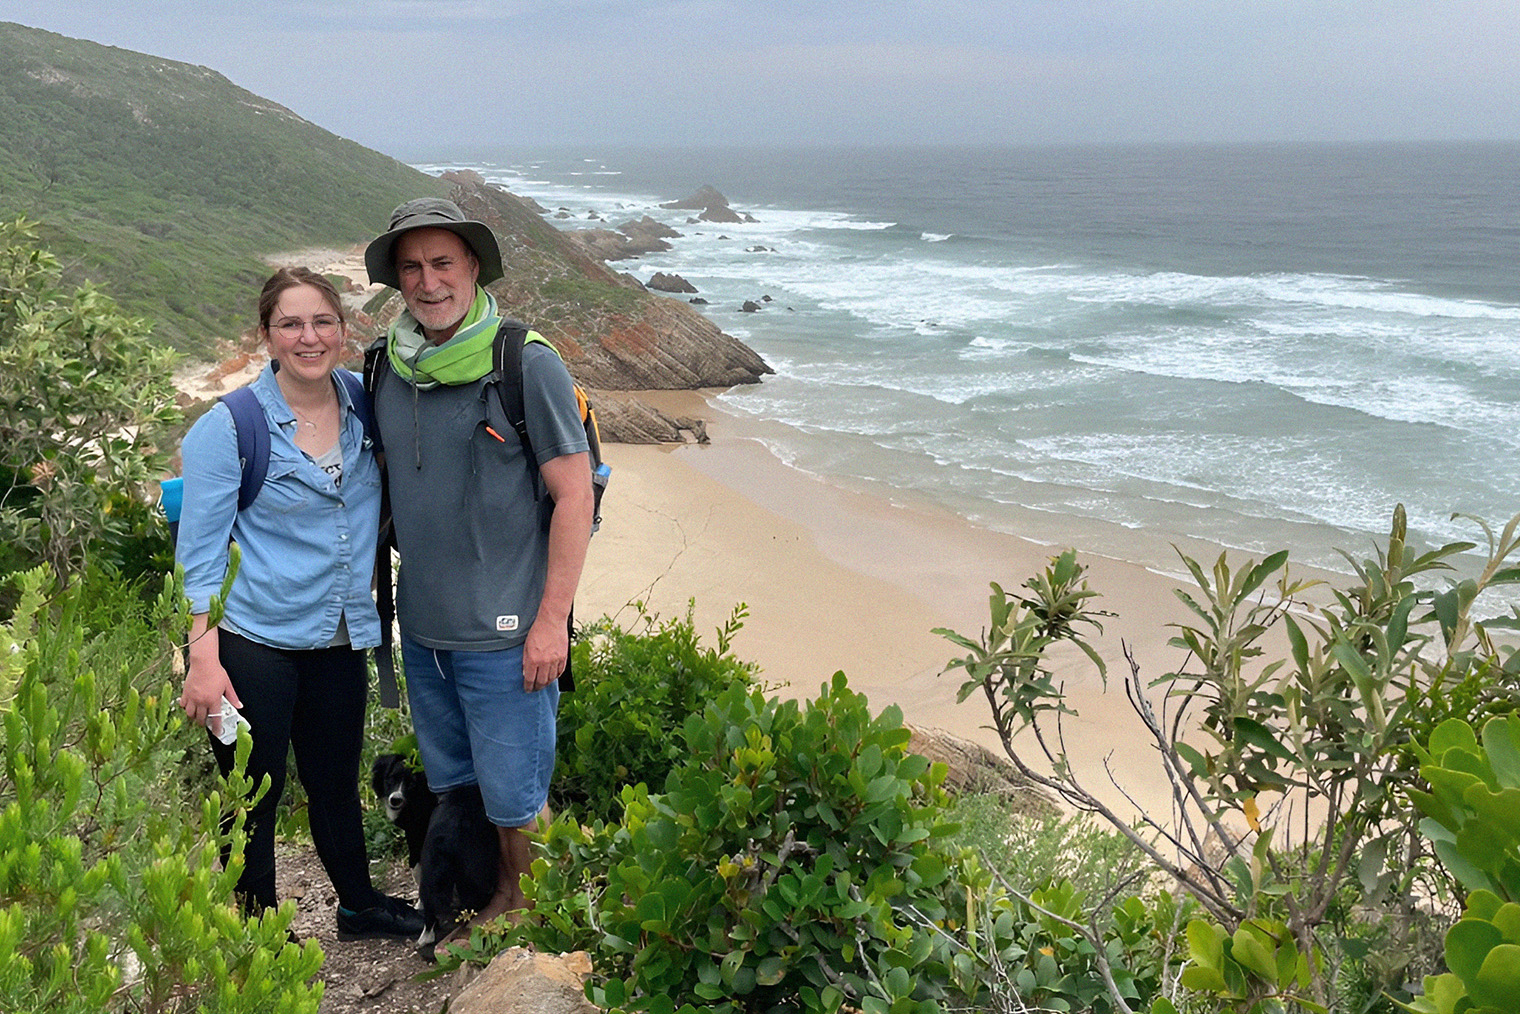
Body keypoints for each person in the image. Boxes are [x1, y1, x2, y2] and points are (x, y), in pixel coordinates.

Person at [363, 198, 594, 924]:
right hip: (426, 634)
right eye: (412, 267)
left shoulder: (524, 363)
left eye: (442, 264)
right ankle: (505, 896)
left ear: (472, 269)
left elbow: (574, 497)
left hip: (508, 632)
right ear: (398, 280)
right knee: (469, 786)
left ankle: (527, 913)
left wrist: (552, 622)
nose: (428, 282)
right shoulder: (385, 367)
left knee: (519, 794)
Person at [176, 267, 423, 940]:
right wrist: (202, 661)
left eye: (321, 322)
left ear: (344, 332)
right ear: (266, 336)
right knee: (250, 797)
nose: (308, 337)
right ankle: (256, 933)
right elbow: (197, 559)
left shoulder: (366, 402)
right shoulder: (228, 429)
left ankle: (358, 904)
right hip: (252, 641)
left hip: (339, 634)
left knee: (336, 786)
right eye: (291, 323)